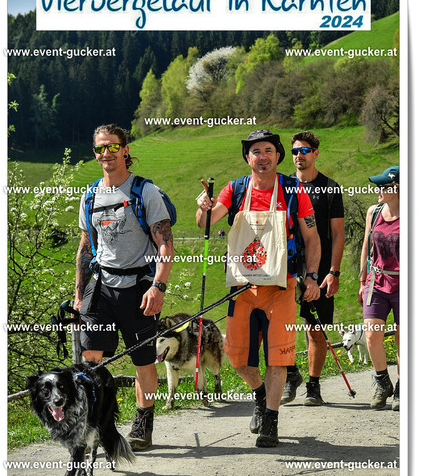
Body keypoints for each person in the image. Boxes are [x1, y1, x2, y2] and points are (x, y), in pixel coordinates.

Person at [195, 129, 321, 447]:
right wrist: (204, 207)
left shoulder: (294, 190)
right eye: (255, 151)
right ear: (247, 158)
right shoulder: (235, 189)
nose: (262, 157)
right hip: (242, 288)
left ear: (278, 156)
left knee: (278, 358)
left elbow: (312, 238)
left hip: (281, 287)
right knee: (237, 359)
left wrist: (311, 277)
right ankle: (260, 393)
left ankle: (271, 420)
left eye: (268, 150)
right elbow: (206, 222)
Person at [75, 123, 174, 450]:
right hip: (102, 285)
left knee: (143, 360)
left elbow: (165, 244)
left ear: (125, 150)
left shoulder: (145, 192)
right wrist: (79, 294)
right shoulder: (90, 195)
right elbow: (86, 247)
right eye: (100, 148)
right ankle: (95, 421)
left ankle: (143, 423)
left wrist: (158, 286)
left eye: (113, 146)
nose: (106, 153)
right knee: (90, 355)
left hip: (139, 287)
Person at [282, 131, 345, 406]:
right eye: (295, 151)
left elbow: (338, 234)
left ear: (316, 153)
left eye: (305, 150)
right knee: (280, 328)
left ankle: (314, 386)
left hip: (318, 270)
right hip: (286, 268)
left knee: (315, 329)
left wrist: (334, 271)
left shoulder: (330, 188)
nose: (299, 155)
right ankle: (290, 375)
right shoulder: (283, 186)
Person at [358, 166, 399, 410]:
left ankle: (404, 386)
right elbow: (366, 246)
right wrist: (362, 281)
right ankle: (383, 382)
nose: (378, 190)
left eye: (384, 186)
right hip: (377, 281)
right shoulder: (373, 213)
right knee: (372, 335)